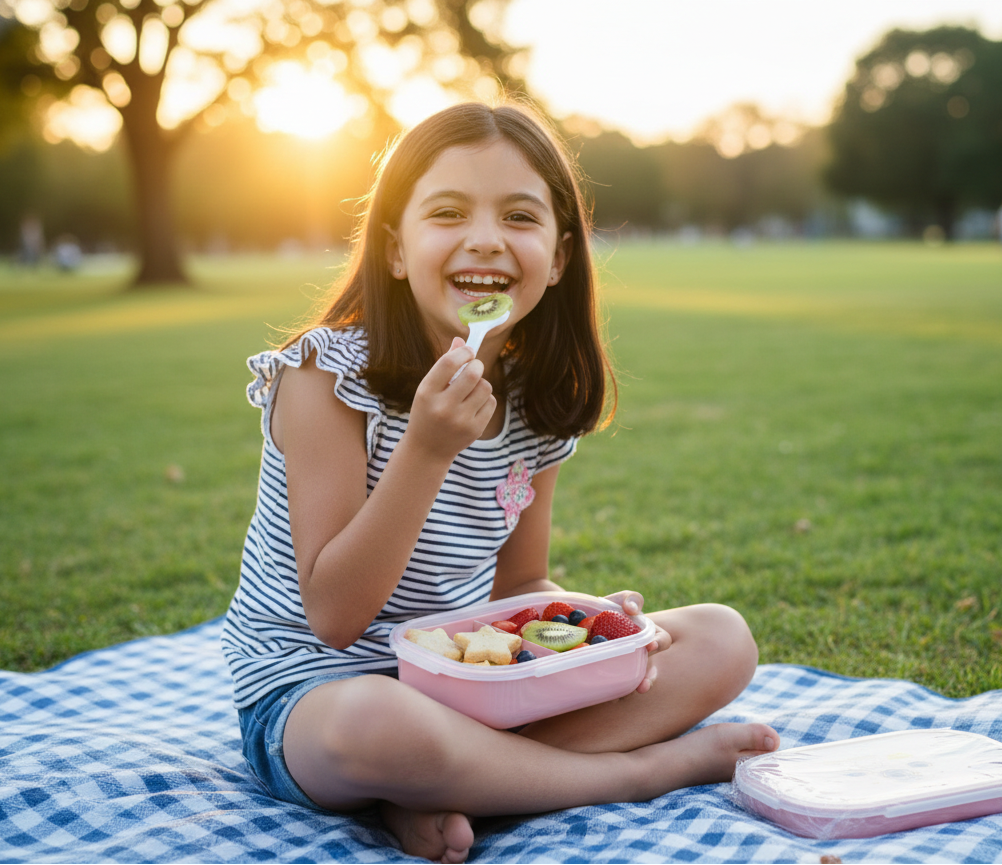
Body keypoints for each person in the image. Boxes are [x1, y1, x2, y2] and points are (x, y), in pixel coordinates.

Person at [221, 102, 778, 864]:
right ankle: (629, 774)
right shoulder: (324, 377)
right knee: (378, 726)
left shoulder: (535, 400)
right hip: (318, 694)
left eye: (519, 216)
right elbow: (335, 615)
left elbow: (520, 581)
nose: (484, 238)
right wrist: (425, 449)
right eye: (447, 212)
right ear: (395, 247)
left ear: (556, 257)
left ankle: (433, 787)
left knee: (719, 638)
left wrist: (581, 618)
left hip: (471, 684)